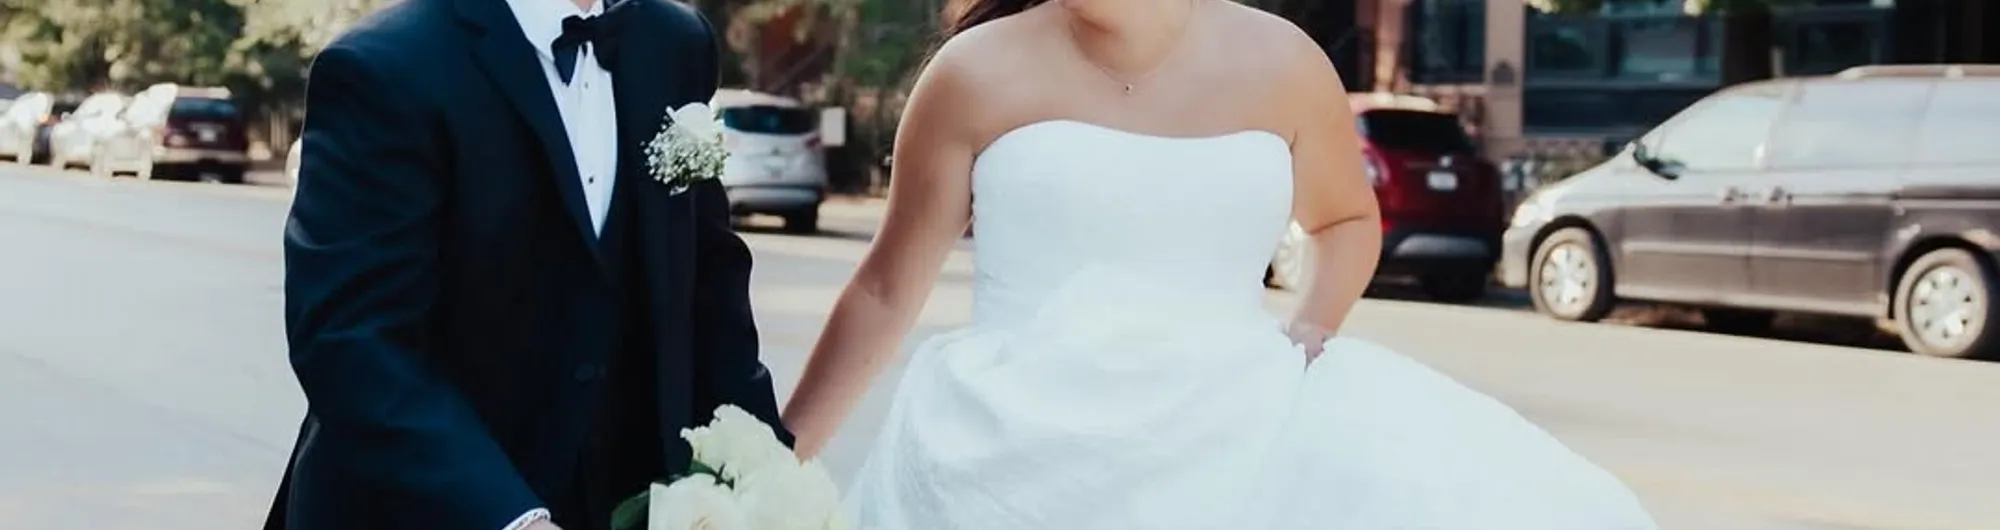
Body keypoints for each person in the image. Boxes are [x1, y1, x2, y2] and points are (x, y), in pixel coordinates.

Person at [779, 0, 1661, 528]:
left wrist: (1309, 330)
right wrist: (771, 461)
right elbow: (888, 287)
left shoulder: (1282, 62)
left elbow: (1349, 218)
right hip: (1008, 452)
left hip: (1234, 431)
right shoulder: (971, 74)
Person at [266, 0, 788, 529]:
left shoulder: (676, 43)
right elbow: (352, 343)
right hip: (424, 508)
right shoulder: (383, 66)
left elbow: (710, 294)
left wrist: (767, 481)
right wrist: (515, 520)